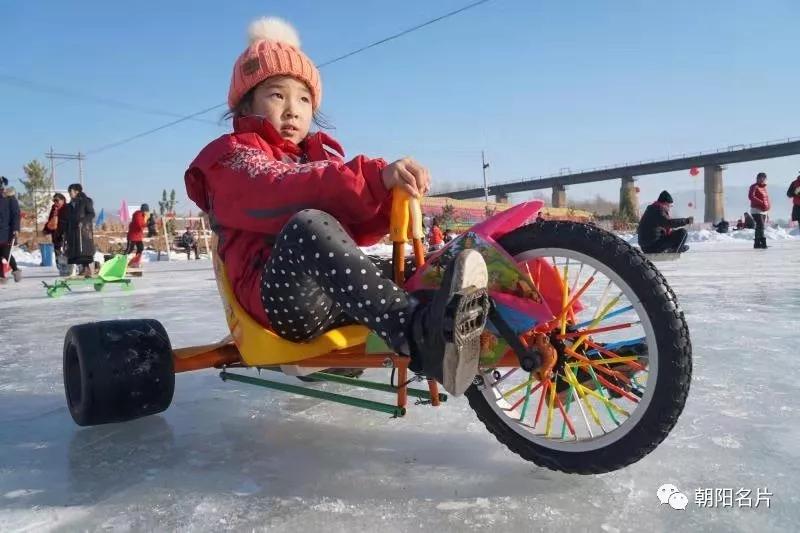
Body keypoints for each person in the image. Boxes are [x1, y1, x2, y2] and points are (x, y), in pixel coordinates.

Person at [184, 18, 490, 395]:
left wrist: (388, 196)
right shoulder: (232, 158)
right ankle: (417, 334)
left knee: (438, 270)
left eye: (304, 99)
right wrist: (374, 178)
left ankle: (542, 337)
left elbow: (357, 229)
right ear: (246, 103)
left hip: (331, 294)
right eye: (277, 95)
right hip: (277, 300)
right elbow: (279, 190)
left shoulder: (316, 158)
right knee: (307, 226)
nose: (293, 110)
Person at [65, 183, 96, 277]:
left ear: (77, 191)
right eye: (69, 191)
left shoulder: (85, 201)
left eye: (71, 191)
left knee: (84, 251)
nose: (70, 193)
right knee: (76, 251)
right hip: (73, 231)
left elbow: (91, 214)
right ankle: (84, 268)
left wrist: (82, 221)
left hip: (83, 231)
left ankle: (88, 269)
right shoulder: (70, 204)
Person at [0, 178, 21, 283]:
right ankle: (1, 276)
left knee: (5, 252)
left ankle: (16, 270)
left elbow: (16, 214)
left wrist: (16, 228)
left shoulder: (10, 198)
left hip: (6, 231)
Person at [44, 193, 69, 274]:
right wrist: (46, 229)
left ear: (63, 200)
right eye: (54, 201)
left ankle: (67, 268)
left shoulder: (67, 208)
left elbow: (69, 221)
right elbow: (50, 220)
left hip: (65, 233)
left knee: (65, 251)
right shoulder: (54, 208)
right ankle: (60, 267)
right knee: (57, 251)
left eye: (57, 200)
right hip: (55, 234)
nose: (55, 202)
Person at [748, 172, 770, 249]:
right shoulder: (754, 186)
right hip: (756, 209)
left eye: (764, 178)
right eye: (760, 178)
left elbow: (766, 199)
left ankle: (757, 243)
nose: (762, 179)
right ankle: (763, 242)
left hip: (764, 210)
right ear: (757, 178)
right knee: (761, 225)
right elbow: (751, 196)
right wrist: (761, 203)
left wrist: (768, 209)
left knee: (759, 226)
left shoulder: (764, 188)